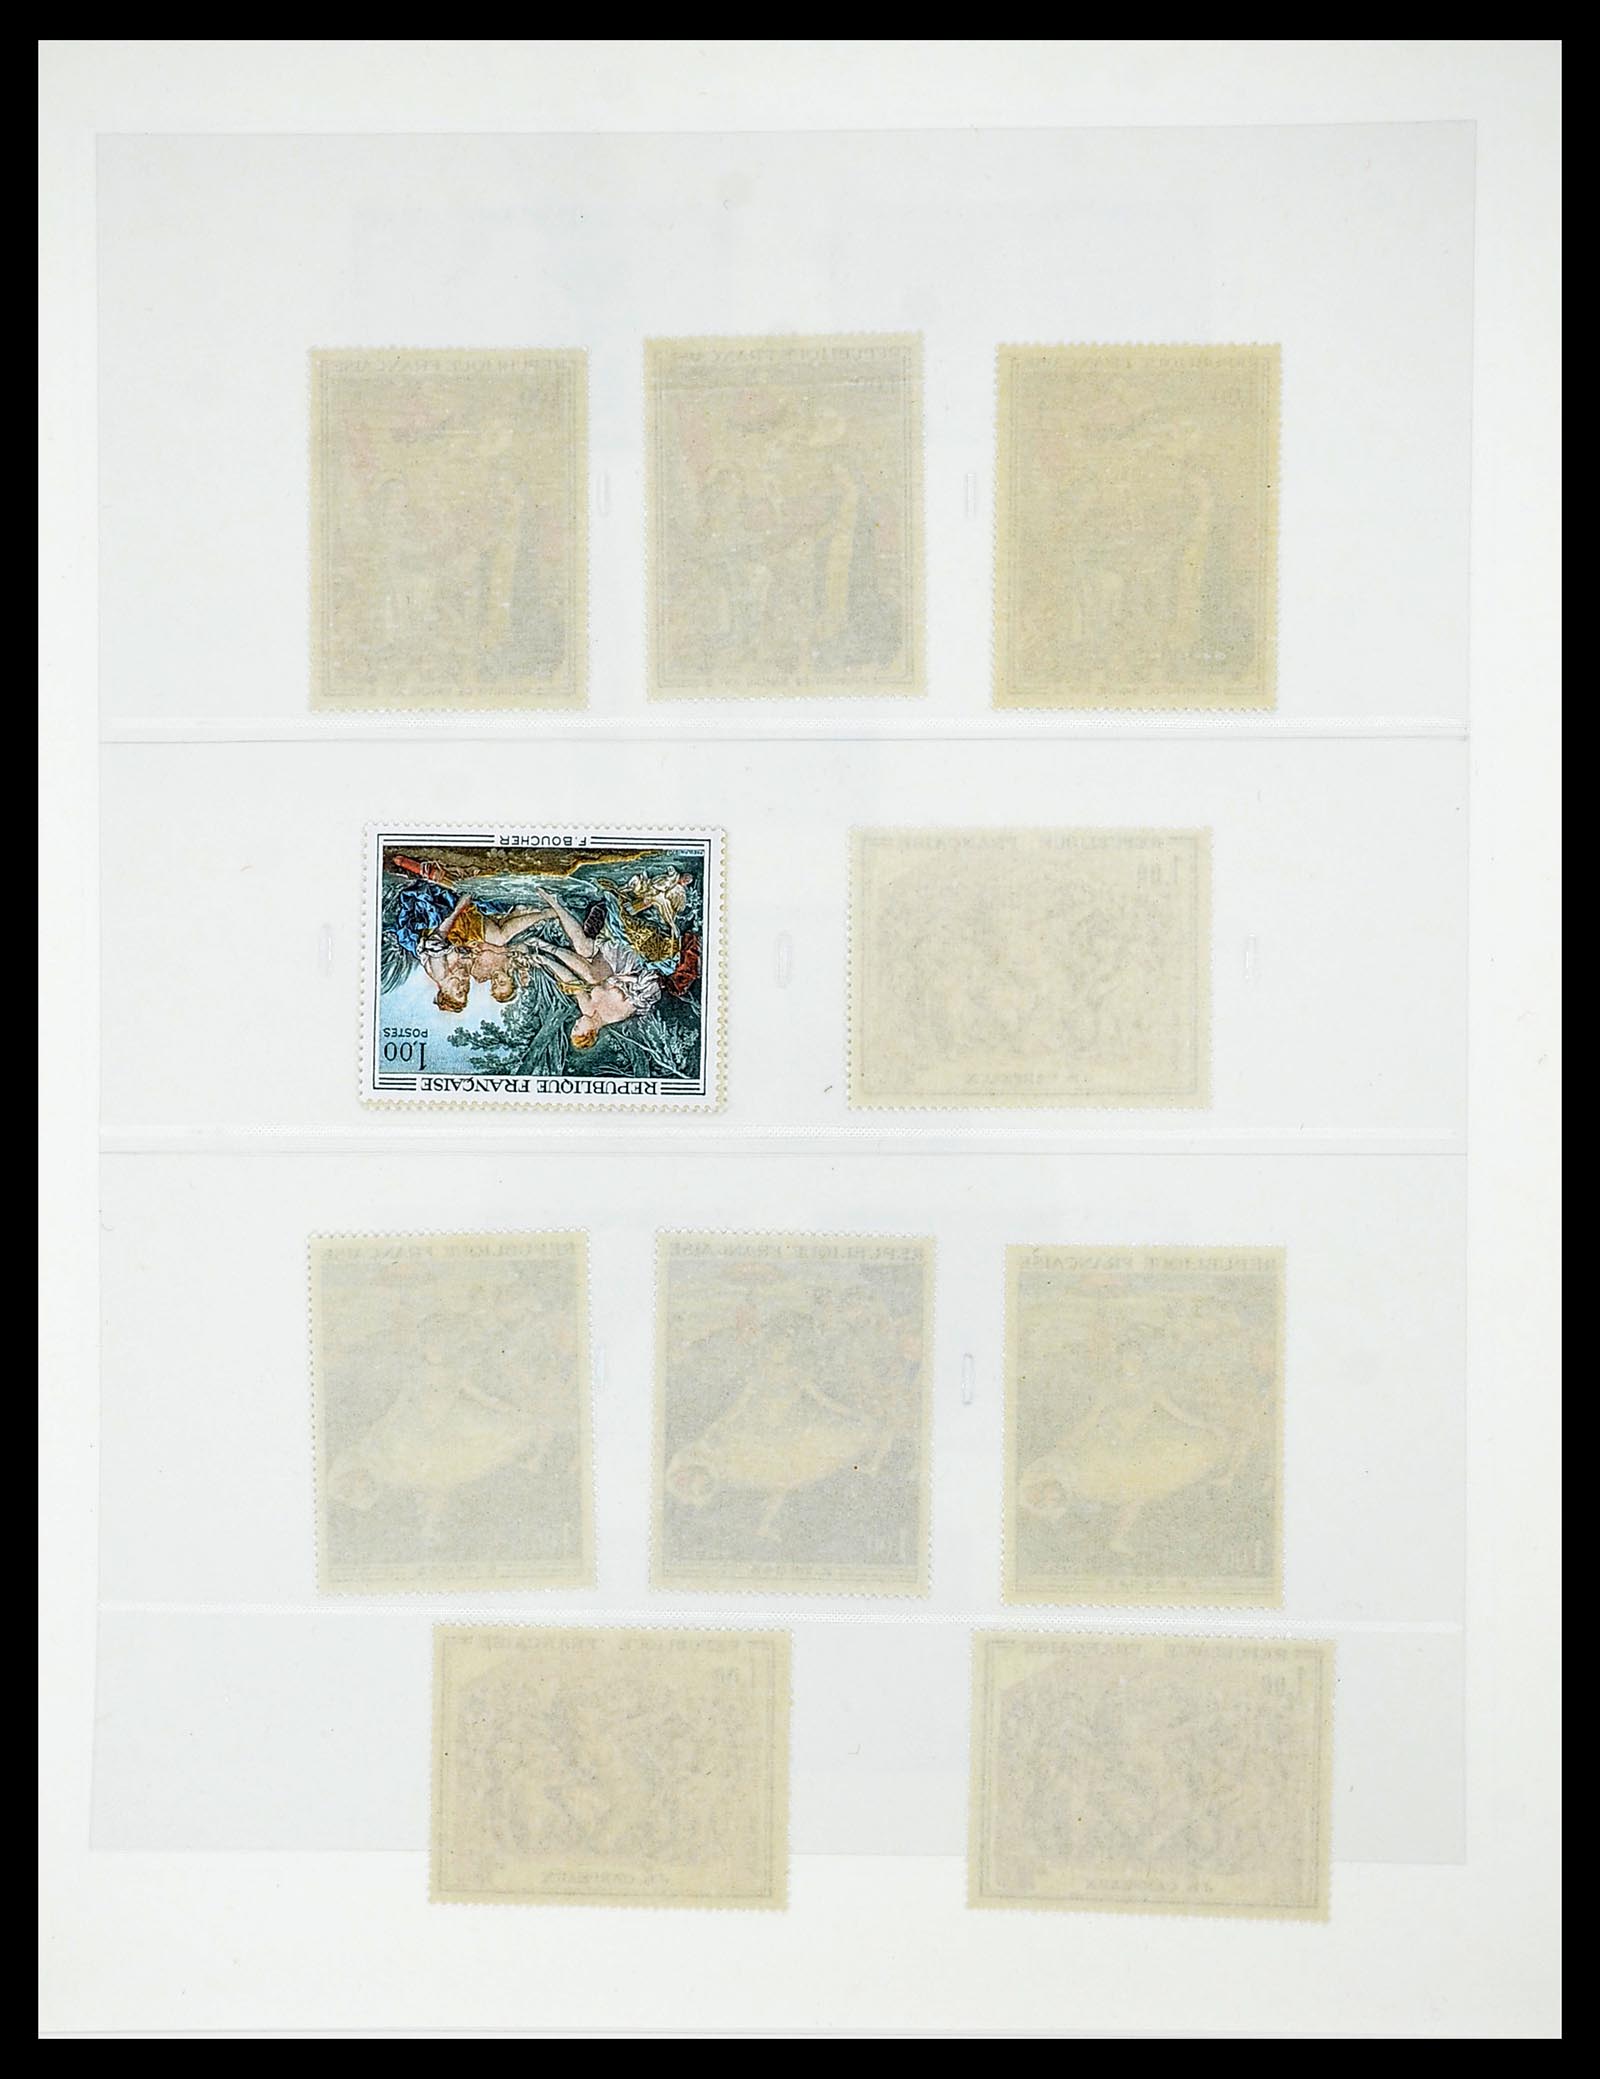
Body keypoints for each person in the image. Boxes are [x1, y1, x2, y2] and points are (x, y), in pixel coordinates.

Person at [517, 890, 664, 1049]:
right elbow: (646, 986)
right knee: (590, 968)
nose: (576, 1022)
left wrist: (546, 961)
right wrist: (621, 979)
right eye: (577, 1028)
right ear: (589, 1032)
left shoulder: (586, 1009)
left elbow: (571, 981)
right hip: (629, 964)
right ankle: (547, 944)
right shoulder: (616, 1015)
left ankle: (555, 904)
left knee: (584, 950)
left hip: (606, 961)